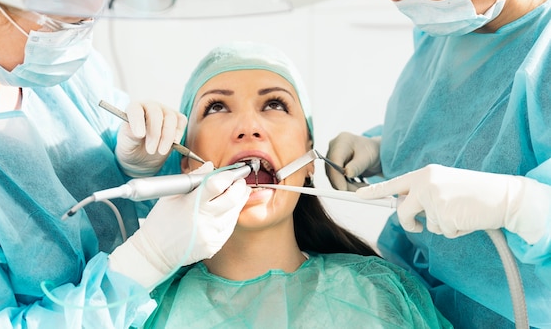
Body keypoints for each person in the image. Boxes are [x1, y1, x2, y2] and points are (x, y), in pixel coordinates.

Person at [0, 0, 250, 328]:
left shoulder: (59, 73)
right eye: (62, 26)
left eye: (87, 22)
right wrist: (146, 261)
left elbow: (189, 188)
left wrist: (134, 165)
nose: (77, 43)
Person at [326, 0, 551, 327]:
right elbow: (452, 131)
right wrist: (381, 151)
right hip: (413, 304)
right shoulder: (446, 29)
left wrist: (518, 205)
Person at [142, 42, 452, 328]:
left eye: (275, 104)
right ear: (186, 161)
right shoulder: (143, 309)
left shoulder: (378, 297)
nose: (248, 127)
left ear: (308, 158)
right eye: (217, 107)